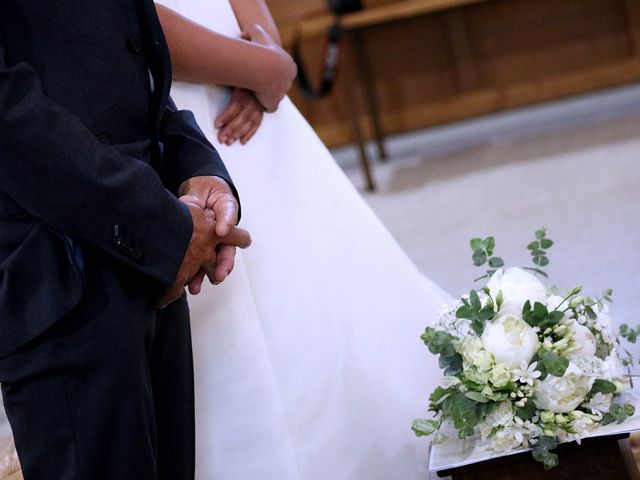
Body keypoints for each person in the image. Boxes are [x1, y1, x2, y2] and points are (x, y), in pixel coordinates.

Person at [154, 1, 452, 479]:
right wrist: (262, 66)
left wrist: (261, 50)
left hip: (251, 92)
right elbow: (129, 21)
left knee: (331, 290)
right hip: (179, 108)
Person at [0, 1, 250, 479]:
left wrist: (194, 165)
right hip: (57, 270)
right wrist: (158, 225)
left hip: (154, 253)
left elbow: (129, 56)